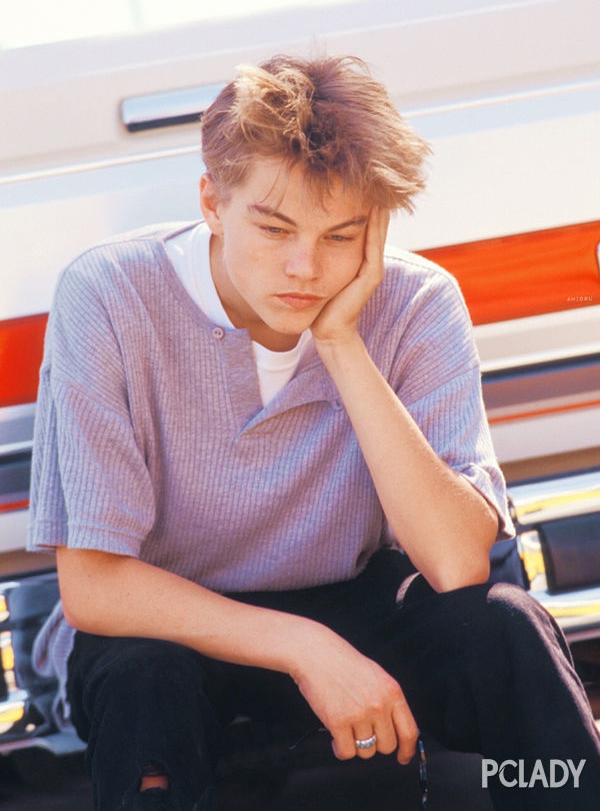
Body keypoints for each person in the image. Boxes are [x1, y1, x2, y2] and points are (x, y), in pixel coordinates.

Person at [28, 54, 599, 811]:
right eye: (275, 228)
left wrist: (341, 342)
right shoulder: (107, 294)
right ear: (211, 201)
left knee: (506, 626)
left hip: (355, 600)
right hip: (170, 625)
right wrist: (305, 647)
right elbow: (95, 587)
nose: (305, 267)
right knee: (142, 686)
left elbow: (456, 563)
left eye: (341, 235)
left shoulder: (418, 302)